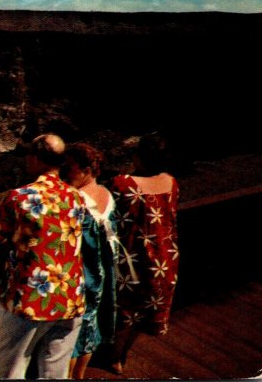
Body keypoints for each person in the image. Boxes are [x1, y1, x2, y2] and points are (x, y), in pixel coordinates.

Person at [0, 133, 87, 379]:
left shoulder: (20, 198)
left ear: (34, 159)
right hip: (69, 297)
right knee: (54, 373)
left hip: (29, 300)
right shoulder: (75, 197)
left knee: (10, 372)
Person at [108, 132, 179, 374]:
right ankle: (123, 354)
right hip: (165, 255)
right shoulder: (171, 182)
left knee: (125, 311)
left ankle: (114, 357)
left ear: (138, 157)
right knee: (147, 308)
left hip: (133, 257)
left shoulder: (123, 184)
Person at [62, 143, 119, 379]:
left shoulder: (77, 200)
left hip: (81, 275)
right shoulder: (106, 194)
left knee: (69, 338)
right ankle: (80, 375)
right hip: (101, 274)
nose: (65, 172)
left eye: (70, 168)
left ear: (86, 170)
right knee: (88, 330)